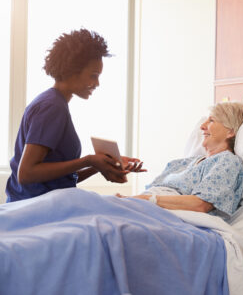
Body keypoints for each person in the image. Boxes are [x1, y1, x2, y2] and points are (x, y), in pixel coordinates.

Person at [6, 29, 145, 203]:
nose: (97, 83)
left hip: (39, 203)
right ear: (72, 70)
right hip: (35, 207)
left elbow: (60, 181)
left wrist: (99, 165)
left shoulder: (53, 103)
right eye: (93, 76)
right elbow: (26, 174)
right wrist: (87, 160)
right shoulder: (52, 107)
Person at [117, 102, 243, 220]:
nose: (202, 126)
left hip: (166, 217)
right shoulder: (182, 163)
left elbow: (201, 205)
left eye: (211, 121)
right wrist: (130, 200)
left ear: (230, 131)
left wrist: (146, 200)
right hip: (144, 209)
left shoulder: (227, 161)